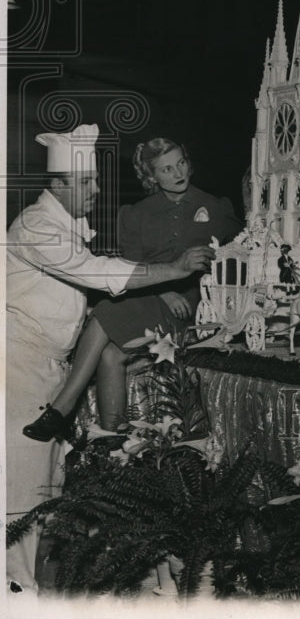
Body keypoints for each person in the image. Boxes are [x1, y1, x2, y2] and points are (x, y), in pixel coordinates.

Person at [6, 124, 214, 594]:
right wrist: (176, 268)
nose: (97, 191)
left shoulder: (65, 227)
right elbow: (100, 273)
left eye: (96, 180)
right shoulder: (38, 227)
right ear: (58, 185)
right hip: (15, 370)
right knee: (18, 509)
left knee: (43, 501)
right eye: (86, 183)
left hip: (47, 368)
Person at [25, 137, 242, 437]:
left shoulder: (216, 207)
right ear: (151, 177)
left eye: (181, 163)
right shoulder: (136, 214)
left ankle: (64, 406)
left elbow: (242, 254)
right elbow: (131, 268)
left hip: (191, 305)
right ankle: (112, 439)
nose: (178, 173)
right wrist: (164, 292)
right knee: (111, 354)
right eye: (166, 169)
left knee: (107, 310)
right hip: (149, 297)